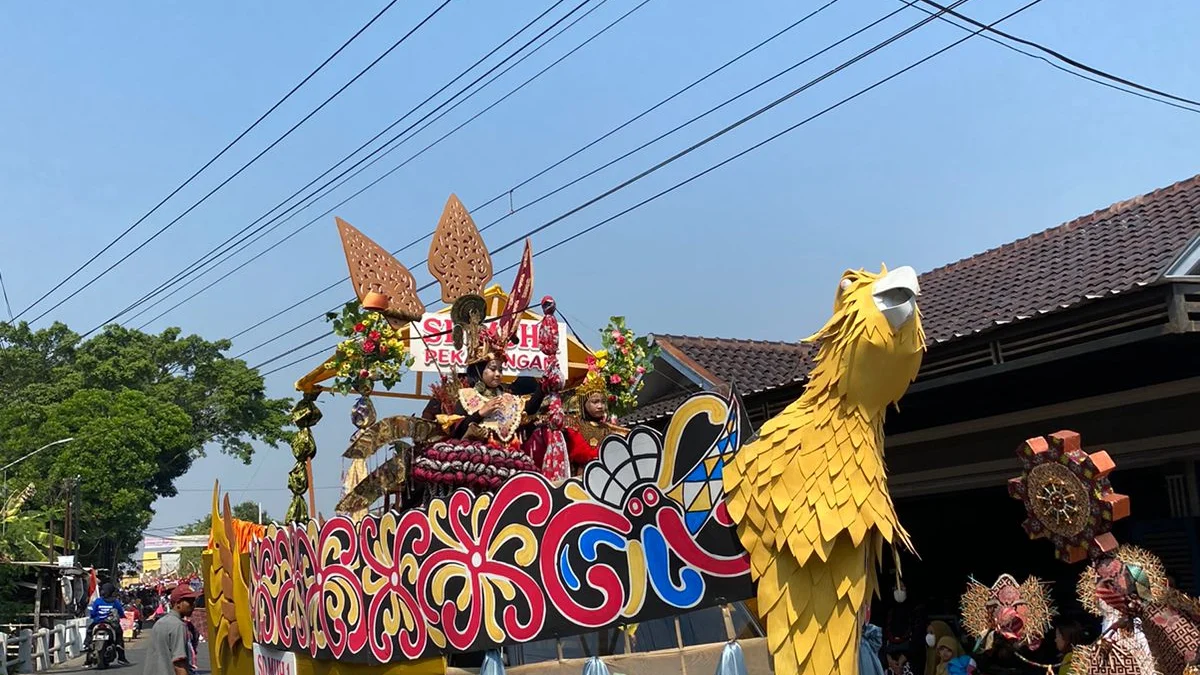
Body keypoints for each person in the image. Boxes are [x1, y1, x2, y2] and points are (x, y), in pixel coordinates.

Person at [562, 370, 628, 475]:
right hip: (581, 475)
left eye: (603, 402)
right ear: (583, 403)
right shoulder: (573, 423)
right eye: (595, 402)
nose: (600, 406)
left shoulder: (607, 429)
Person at [143, 584, 200, 675]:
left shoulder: (160, 623)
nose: (193, 606)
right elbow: (179, 662)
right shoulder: (178, 626)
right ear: (178, 603)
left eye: (194, 602)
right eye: (189, 602)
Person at [87, 582, 129, 665]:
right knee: (119, 637)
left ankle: (87, 660)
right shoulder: (115, 602)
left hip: (97, 623)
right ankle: (121, 658)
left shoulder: (98, 601)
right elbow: (120, 612)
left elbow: (92, 613)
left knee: (89, 635)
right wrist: (122, 616)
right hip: (111, 624)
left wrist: (95, 617)